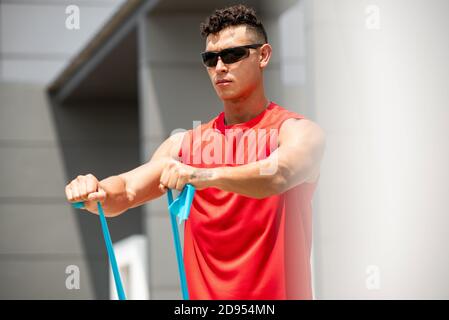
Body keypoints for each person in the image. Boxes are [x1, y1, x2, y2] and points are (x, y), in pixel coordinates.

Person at [65, 4, 326, 300]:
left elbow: (279, 175)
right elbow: (124, 192)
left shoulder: (296, 131)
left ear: (263, 55)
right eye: (210, 59)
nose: (220, 68)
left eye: (232, 55)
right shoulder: (185, 144)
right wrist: (95, 192)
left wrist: (203, 175)